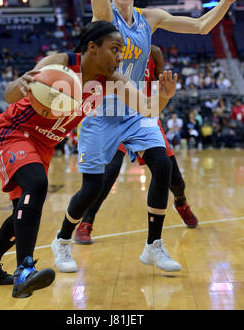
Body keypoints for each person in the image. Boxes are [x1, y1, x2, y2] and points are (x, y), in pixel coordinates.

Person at [51, 0, 244, 275]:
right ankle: (62, 240)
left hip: (137, 112)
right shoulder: (104, 14)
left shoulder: (151, 17)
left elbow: (202, 26)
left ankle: (153, 246)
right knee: (91, 190)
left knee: (162, 164)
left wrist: (226, 2)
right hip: (101, 112)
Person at [0, 20, 177, 299]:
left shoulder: (112, 81)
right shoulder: (59, 64)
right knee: (37, 185)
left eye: (122, 51)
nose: (120, 57)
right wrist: (21, 83)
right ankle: (25, 271)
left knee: (24, 211)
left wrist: (163, 97)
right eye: (115, 49)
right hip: (12, 132)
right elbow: (9, 95)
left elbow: (148, 110)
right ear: (92, 47)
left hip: (44, 144)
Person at [75, 46, 198, 245]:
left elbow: (160, 86)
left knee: (173, 176)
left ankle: (181, 202)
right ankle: (86, 222)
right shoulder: (110, 53)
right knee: (108, 173)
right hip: (113, 117)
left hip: (143, 119)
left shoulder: (154, 52)